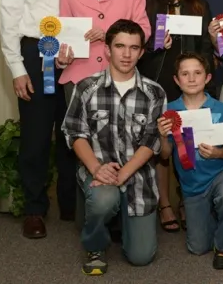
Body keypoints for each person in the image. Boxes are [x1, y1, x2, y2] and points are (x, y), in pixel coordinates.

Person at [0, 0, 82, 238]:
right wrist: (17, 68)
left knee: (71, 131)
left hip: (74, 52)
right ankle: (34, 209)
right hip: (36, 53)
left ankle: (69, 203)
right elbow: (8, 18)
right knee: (35, 136)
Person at [63, 19, 166, 276]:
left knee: (141, 257)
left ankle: (122, 225)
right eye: (120, 46)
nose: (126, 54)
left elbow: (151, 141)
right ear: (107, 49)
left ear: (142, 52)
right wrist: (97, 169)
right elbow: (75, 133)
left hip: (138, 175)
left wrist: (124, 173)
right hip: (98, 171)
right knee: (103, 199)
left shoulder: (155, 93)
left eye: (134, 48)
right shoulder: (86, 87)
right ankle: (95, 244)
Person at [139, 0, 216, 233]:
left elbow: (207, 47)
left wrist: (203, 78)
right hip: (158, 82)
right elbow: (137, 44)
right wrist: (155, 45)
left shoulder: (199, 4)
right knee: (163, 144)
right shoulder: (148, 1)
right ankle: (164, 205)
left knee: (191, 141)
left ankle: (188, 199)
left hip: (191, 84)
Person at [157, 52, 223, 270]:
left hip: (219, 174)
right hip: (192, 185)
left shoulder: (220, 108)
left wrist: (218, 154)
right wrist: (161, 135)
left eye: (197, 73)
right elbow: (165, 155)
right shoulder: (170, 111)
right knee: (197, 247)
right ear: (177, 80)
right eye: (185, 74)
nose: (192, 78)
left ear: (207, 78)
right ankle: (212, 215)